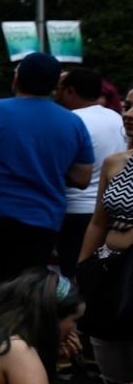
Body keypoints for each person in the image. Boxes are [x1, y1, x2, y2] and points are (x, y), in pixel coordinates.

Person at [0, 51, 93, 312]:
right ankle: (14, 348)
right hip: (40, 221)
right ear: (55, 86)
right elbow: (83, 178)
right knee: (22, 293)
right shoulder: (73, 124)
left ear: (17, 78)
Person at [79, 140, 133, 384]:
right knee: (110, 377)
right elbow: (98, 222)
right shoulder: (115, 163)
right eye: (126, 106)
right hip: (109, 273)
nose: (127, 114)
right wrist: (83, 270)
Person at [55, 68, 126, 277]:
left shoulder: (70, 120)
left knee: (74, 274)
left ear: (70, 91)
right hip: (111, 209)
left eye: (59, 89)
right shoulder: (116, 118)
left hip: (74, 210)